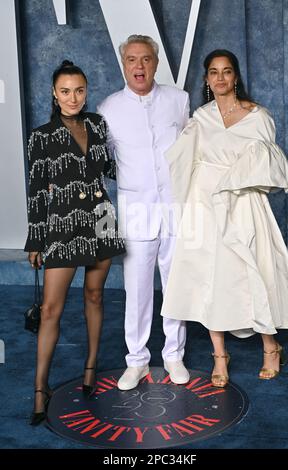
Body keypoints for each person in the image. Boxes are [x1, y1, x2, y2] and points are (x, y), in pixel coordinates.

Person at [161, 49, 288, 387]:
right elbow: (184, 163)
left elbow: (268, 166)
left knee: (256, 272)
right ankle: (219, 355)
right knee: (211, 278)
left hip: (244, 204)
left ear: (236, 76)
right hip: (204, 204)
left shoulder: (258, 116)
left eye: (226, 71)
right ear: (207, 79)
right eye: (213, 72)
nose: (220, 78)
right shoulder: (201, 118)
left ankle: (271, 346)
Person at [24, 60, 125, 425]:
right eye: (65, 91)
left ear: (86, 90)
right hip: (62, 226)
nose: (73, 98)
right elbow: (36, 193)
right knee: (51, 309)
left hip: (100, 220)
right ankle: (40, 387)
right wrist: (35, 239)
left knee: (95, 296)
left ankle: (90, 367)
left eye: (79, 90)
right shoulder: (41, 136)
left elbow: (113, 168)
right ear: (54, 93)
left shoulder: (98, 124)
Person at [98, 35, 190, 390]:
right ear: (124, 65)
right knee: (137, 290)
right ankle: (136, 361)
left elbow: (187, 147)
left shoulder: (178, 100)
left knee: (175, 284)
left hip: (176, 207)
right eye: (132, 60)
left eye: (146, 59)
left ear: (156, 63)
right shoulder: (108, 109)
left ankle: (173, 355)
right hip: (135, 210)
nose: (139, 66)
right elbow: (103, 159)